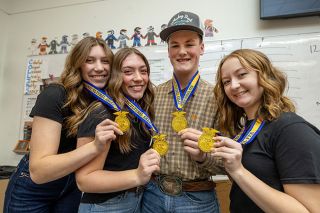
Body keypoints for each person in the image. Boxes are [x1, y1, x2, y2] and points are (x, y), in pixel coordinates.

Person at [4, 36, 114, 213]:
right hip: (34, 190)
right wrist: (94, 147)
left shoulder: (106, 100)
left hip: (72, 186)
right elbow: (39, 171)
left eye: (105, 61)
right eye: (89, 60)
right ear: (77, 63)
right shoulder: (55, 94)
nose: (99, 67)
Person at [212, 49, 320, 213]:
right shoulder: (245, 130)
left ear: (264, 76)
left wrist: (238, 170)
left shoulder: (291, 129)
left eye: (241, 75)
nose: (233, 85)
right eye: (226, 81)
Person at [142, 11, 224, 213]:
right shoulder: (152, 95)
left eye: (189, 44)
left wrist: (203, 157)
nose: (182, 51)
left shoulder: (219, 98)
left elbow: (228, 164)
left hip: (197, 199)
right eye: (175, 45)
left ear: (202, 48)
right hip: (153, 195)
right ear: (168, 51)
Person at [76, 47, 161, 213]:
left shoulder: (138, 110)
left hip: (136, 199)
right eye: (128, 71)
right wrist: (137, 175)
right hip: (106, 206)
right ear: (115, 76)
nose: (138, 78)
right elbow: (84, 180)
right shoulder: (101, 112)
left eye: (143, 71)